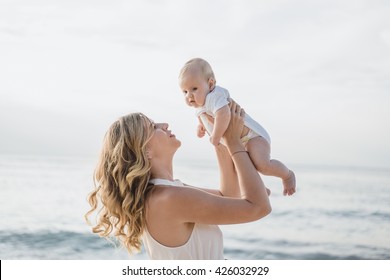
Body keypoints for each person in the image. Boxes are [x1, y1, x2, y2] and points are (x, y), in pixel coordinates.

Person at [85, 102, 272, 260]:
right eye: (153, 127)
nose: (164, 124)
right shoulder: (168, 199)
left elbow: (228, 196)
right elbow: (258, 208)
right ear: (144, 151)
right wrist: (234, 143)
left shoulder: (168, 192)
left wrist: (220, 138)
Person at [178, 58, 296, 196]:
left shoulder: (214, 95)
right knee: (241, 168)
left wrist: (215, 136)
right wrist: (201, 127)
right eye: (184, 92)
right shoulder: (199, 105)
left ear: (210, 84)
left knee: (262, 165)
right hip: (238, 142)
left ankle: (287, 175)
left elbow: (223, 114)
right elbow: (203, 119)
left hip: (253, 137)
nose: (189, 96)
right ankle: (261, 189)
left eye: (194, 89)